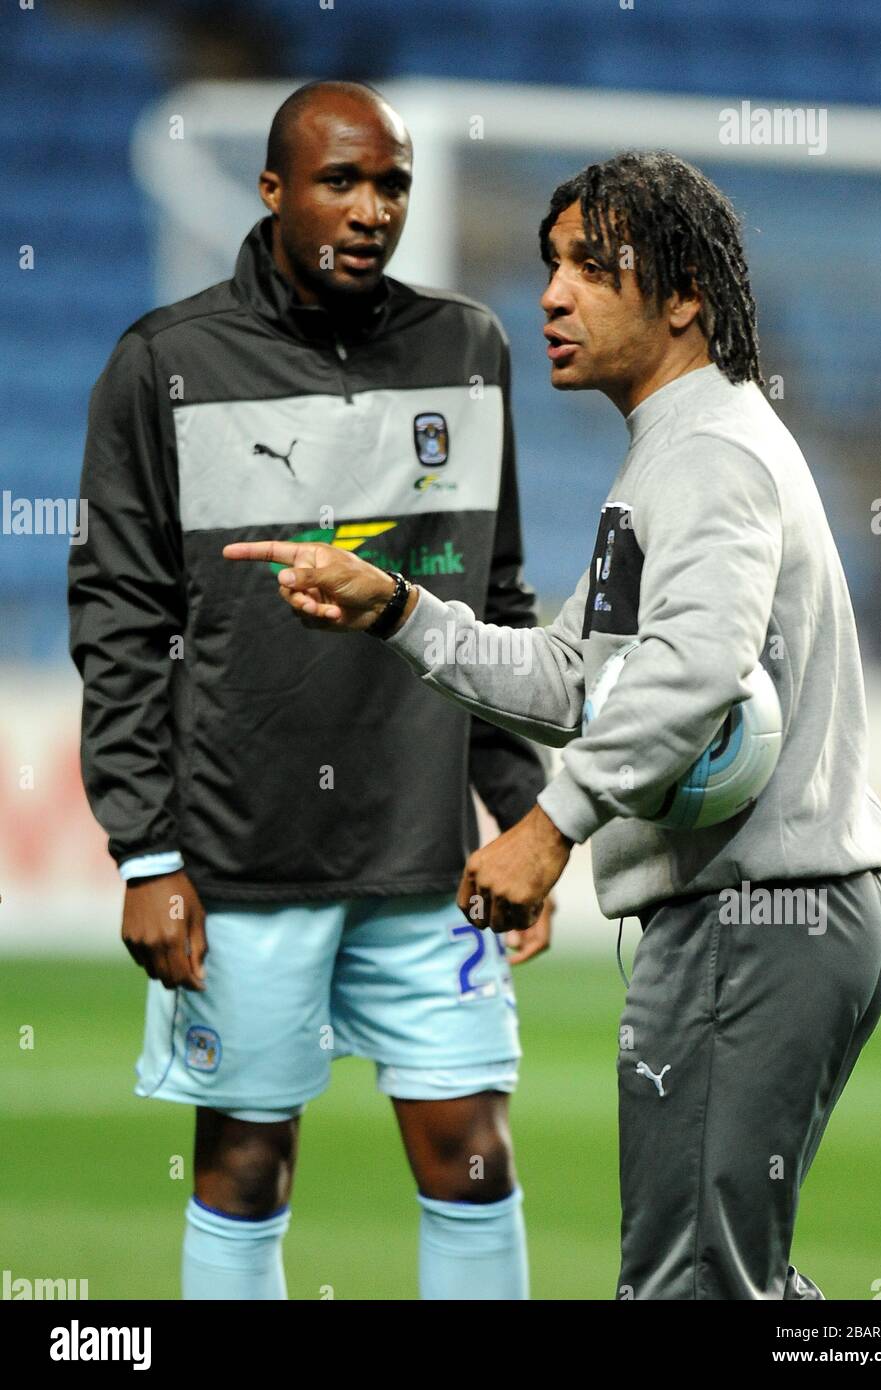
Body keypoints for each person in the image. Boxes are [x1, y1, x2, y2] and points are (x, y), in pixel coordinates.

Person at [226, 151, 881, 1301]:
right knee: (738, 1284)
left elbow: (693, 673)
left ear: (684, 293)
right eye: (550, 265)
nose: (551, 292)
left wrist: (552, 827)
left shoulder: (710, 453)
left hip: (753, 916)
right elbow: (579, 673)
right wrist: (398, 609)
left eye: (592, 266)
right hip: (771, 916)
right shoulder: (677, 451)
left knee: (687, 1288)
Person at [69, 80, 552, 1302]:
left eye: (392, 182)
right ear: (274, 190)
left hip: (425, 854)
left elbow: (492, 601)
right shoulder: (165, 363)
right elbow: (123, 619)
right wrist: (145, 852)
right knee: (245, 1166)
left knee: (474, 1157)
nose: (373, 207)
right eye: (341, 180)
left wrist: (523, 813)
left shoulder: (468, 347)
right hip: (238, 857)